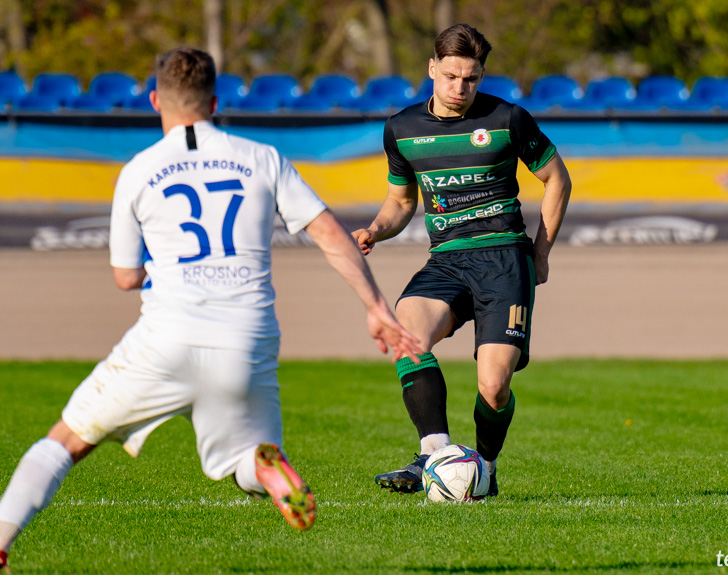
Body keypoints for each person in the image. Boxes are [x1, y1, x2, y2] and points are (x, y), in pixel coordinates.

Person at [0, 47, 421, 571]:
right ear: (216, 102)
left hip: (166, 337)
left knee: (65, 441)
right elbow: (330, 234)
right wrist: (377, 308)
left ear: (156, 99)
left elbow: (125, 277)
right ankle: (265, 468)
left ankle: (1, 539)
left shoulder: (138, 170)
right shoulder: (261, 158)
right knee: (247, 454)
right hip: (247, 337)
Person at [353, 23, 572, 497]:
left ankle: (486, 472)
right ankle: (435, 453)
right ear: (432, 68)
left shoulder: (508, 119)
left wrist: (542, 252)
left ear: (481, 75)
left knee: (494, 387)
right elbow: (400, 204)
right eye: (451, 76)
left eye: (471, 79)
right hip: (447, 260)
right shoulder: (402, 129)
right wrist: (375, 230)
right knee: (406, 336)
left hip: (505, 261)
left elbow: (557, 179)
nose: (460, 88)